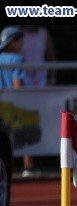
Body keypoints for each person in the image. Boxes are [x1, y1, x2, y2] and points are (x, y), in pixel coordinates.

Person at [17, 25, 57, 177]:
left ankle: (59, 162)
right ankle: (28, 165)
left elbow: (50, 55)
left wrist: (52, 79)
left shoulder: (44, 33)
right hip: (21, 84)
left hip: (41, 85)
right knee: (25, 124)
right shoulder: (16, 34)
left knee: (44, 123)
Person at [0, 26, 34, 177]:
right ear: (11, 42)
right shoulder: (18, 59)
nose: (22, 42)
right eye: (20, 40)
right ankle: (28, 167)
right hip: (13, 103)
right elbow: (17, 83)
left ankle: (6, 170)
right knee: (24, 134)